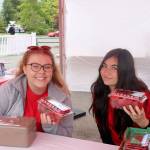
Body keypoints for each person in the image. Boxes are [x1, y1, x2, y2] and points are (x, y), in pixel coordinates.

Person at [0, 46, 73, 137]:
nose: (42, 71)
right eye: (35, 66)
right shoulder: (8, 90)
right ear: (25, 69)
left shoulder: (62, 96)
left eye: (47, 67)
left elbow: (67, 134)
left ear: (52, 70)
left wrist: (51, 128)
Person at [89, 48, 150, 145]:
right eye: (104, 66)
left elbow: (145, 139)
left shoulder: (141, 96)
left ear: (126, 71)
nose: (106, 72)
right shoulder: (99, 90)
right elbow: (102, 127)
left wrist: (144, 123)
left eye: (114, 68)